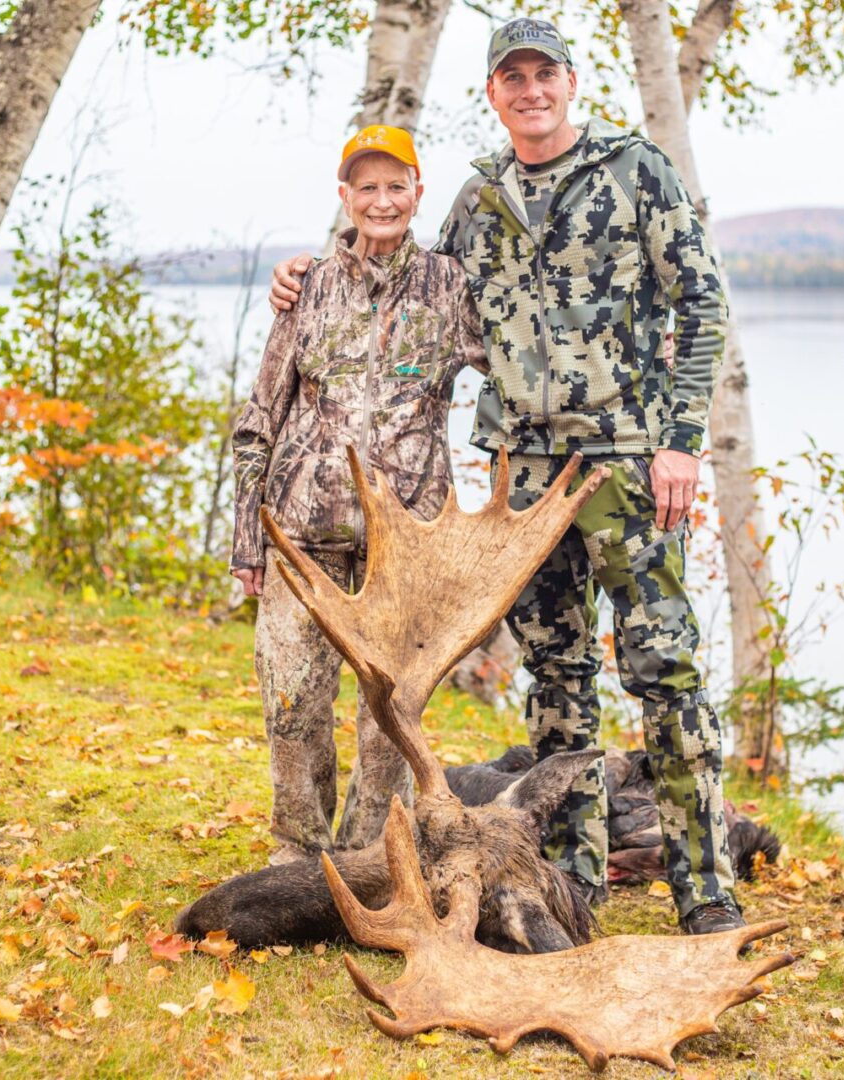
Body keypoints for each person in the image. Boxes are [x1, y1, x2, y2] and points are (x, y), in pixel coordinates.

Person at [270, 18, 746, 934]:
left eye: (544, 74)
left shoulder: (635, 169)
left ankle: (706, 892)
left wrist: (682, 441)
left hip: (627, 463)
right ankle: (579, 882)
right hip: (524, 475)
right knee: (557, 680)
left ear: (569, 83)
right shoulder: (481, 195)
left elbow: (703, 301)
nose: (529, 90)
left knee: (664, 673)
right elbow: (415, 285)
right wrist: (309, 271)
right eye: (511, 77)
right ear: (494, 94)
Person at [232, 125, 487, 866]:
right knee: (292, 705)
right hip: (301, 540)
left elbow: (515, 371)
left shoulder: (450, 285)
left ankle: (368, 853)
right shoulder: (306, 286)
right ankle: (297, 853)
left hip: (402, 548)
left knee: (389, 716)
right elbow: (257, 422)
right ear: (344, 196)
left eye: (396, 185)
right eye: (366, 186)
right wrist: (250, 542)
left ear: (418, 193)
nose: (382, 200)